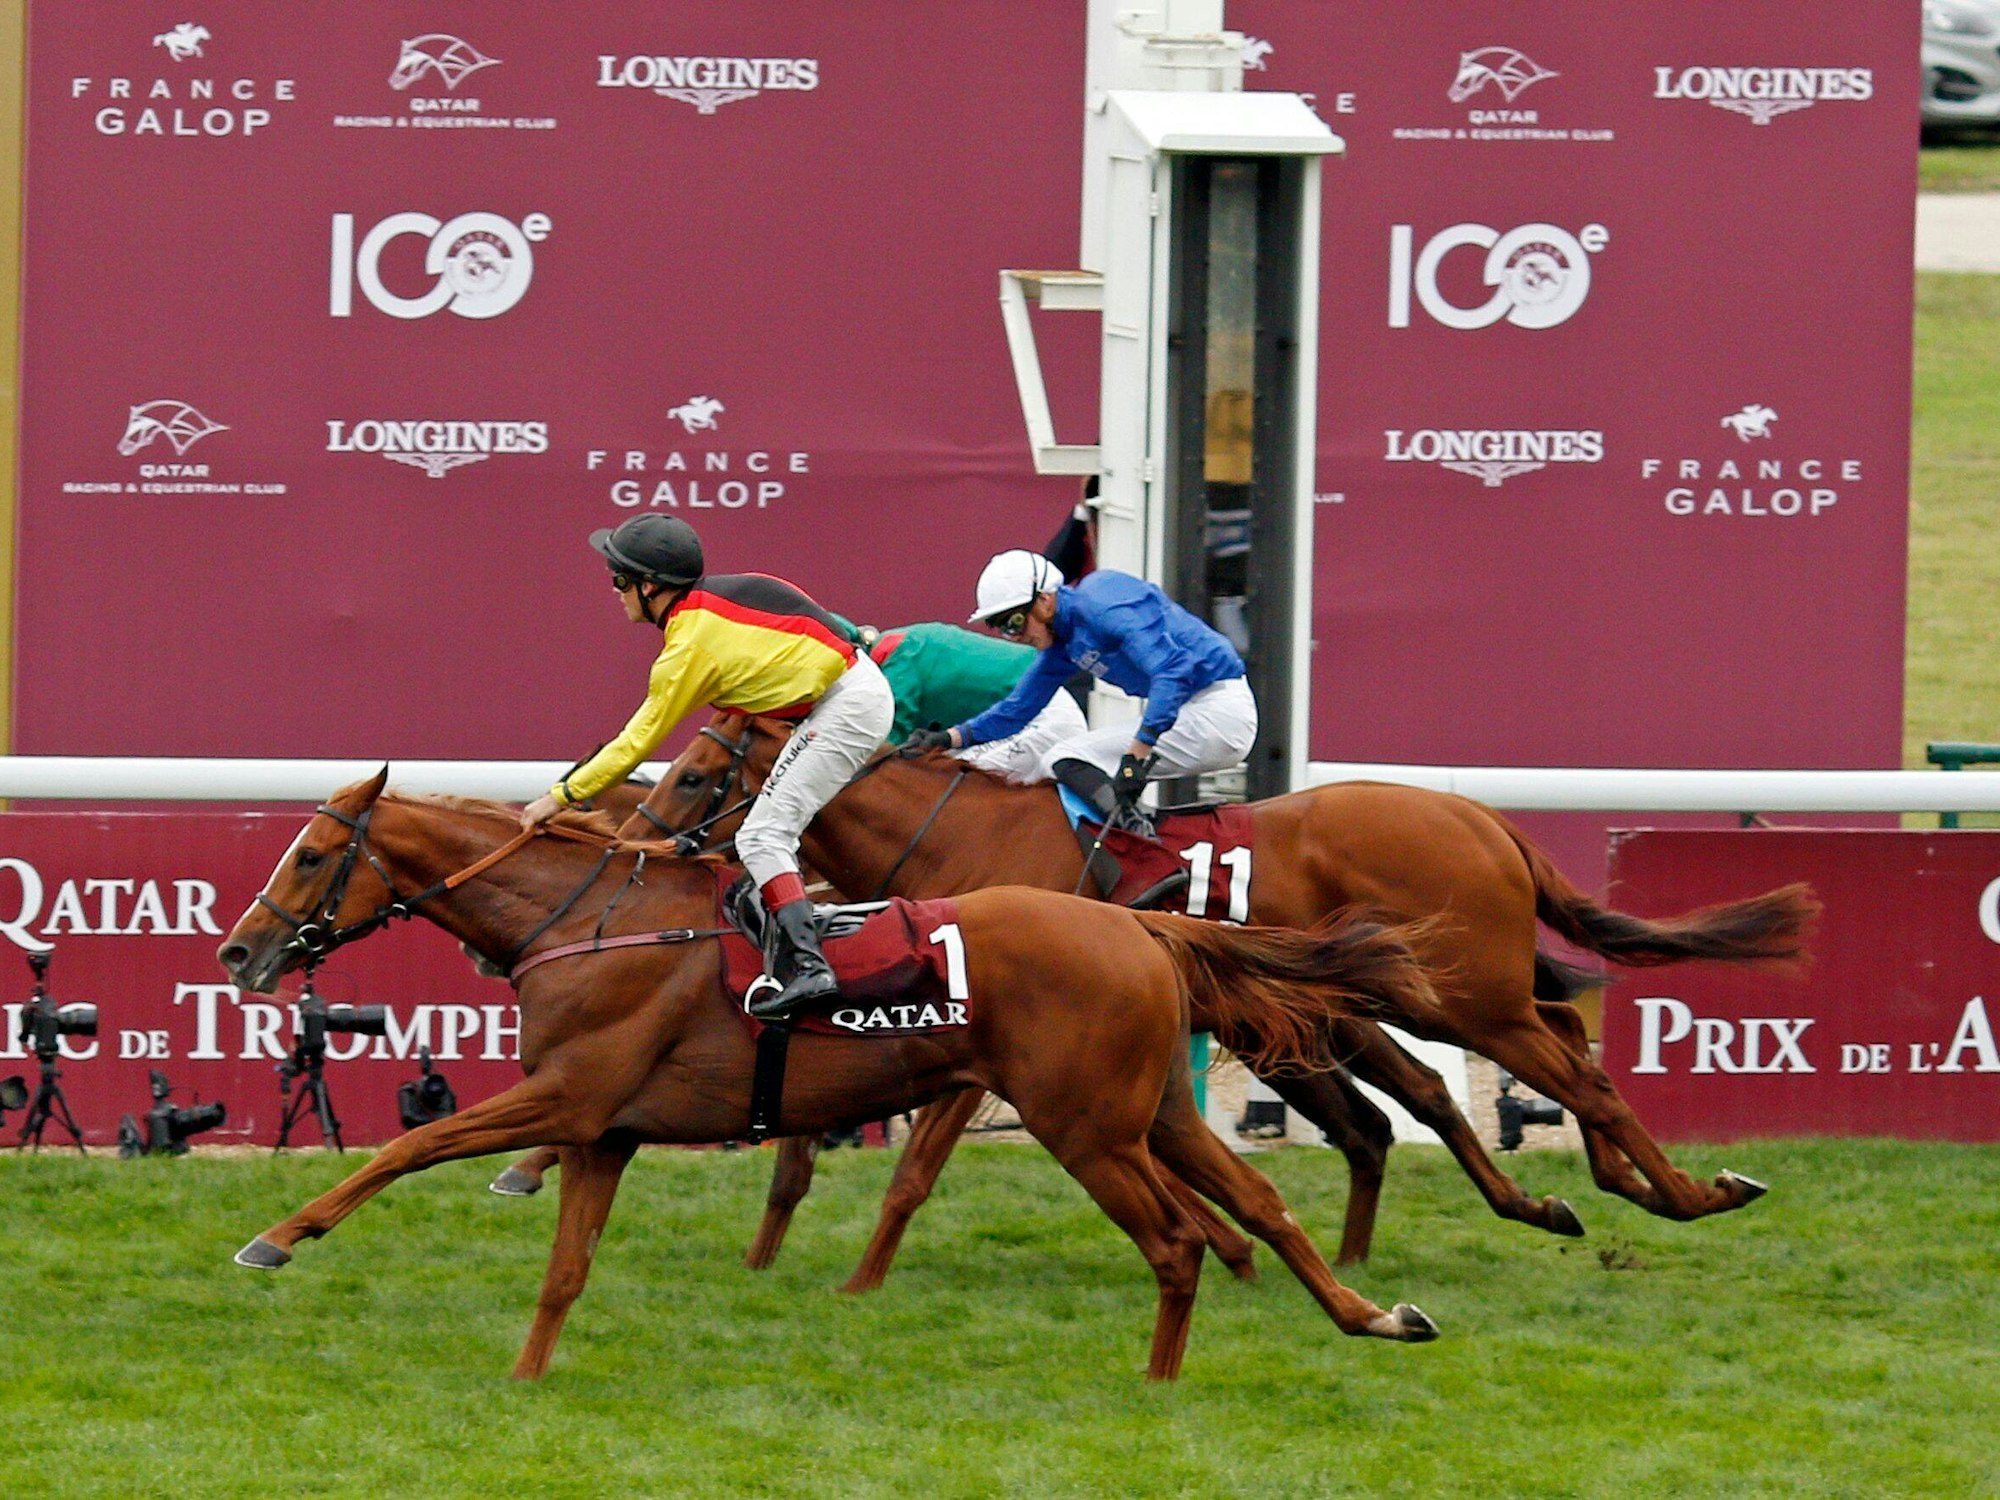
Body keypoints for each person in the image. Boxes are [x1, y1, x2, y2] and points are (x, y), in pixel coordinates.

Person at [519, 515, 892, 1020]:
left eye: (620, 580)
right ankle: (791, 942)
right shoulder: (715, 601)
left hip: (846, 706)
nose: (616, 591)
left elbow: (633, 745)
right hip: (849, 689)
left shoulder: (688, 650)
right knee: (760, 831)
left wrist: (558, 798)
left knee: (762, 837)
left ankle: (810, 966)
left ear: (650, 586)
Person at [902, 550, 1257, 836]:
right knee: (1058, 763)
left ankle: (1135, 840)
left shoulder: (1100, 600)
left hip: (1219, 710)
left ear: (1044, 600)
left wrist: (1138, 751)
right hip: (1199, 711)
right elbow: (1015, 711)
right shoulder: (1064, 643)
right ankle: (1131, 830)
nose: (1014, 637)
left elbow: (1172, 669)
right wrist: (946, 740)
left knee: (1066, 756)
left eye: (1013, 623)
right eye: (1001, 629)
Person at [866, 622, 1085, 783]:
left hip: (1043, 715)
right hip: (1023, 718)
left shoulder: (895, 657)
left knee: (944, 785)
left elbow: (880, 755)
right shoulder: (896, 645)